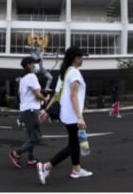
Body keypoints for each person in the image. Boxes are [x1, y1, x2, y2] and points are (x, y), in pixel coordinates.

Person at [37, 46, 92, 184]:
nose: (83, 59)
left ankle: (76, 169)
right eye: (81, 56)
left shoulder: (65, 73)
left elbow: (56, 95)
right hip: (73, 115)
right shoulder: (74, 73)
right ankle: (46, 167)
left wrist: (46, 110)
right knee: (73, 146)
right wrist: (80, 117)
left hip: (66, 115)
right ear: (76, 58)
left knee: (74, 143)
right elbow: (74, 96)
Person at [9, 56, 50, 168]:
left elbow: (23, 94)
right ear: (28, 65)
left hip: (25, 110)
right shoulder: (32, 76)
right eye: (33, 63)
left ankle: (31, 159)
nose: (35, 65)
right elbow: (37, 94)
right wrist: (45, 99)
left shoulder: (23, 79)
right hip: (31, 110)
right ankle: (16, 153)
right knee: (37, 138)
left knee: (31, 136)